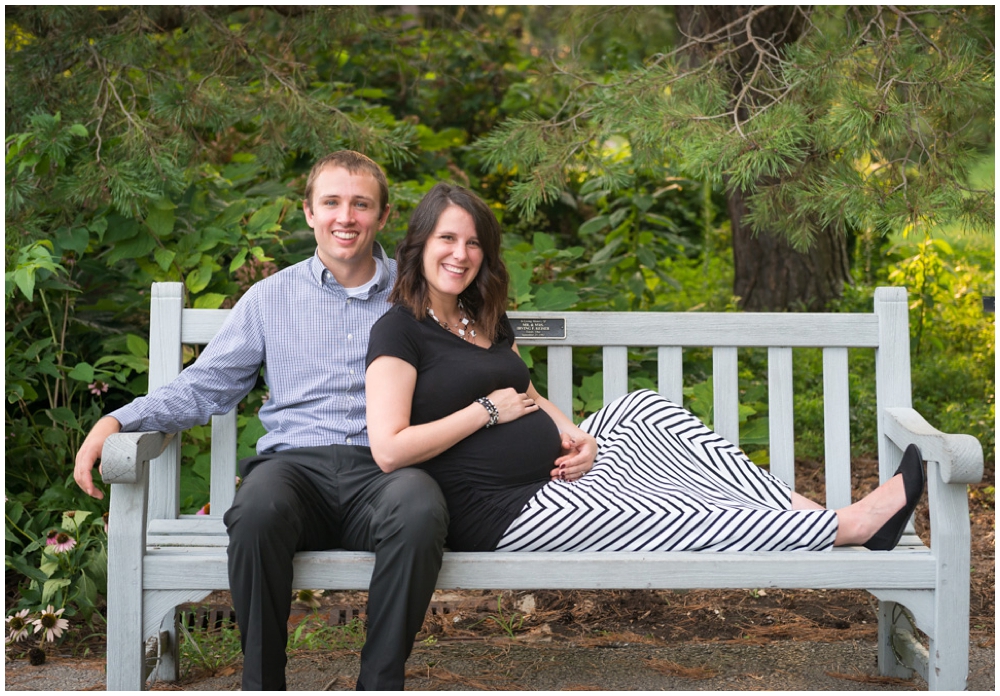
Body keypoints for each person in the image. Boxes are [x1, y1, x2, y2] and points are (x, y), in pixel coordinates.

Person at [364, 182, 925, 557]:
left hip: (557, 474)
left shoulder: (479, 316)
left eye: (473, 243)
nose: (461, 254)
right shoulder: (399, 330)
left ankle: (815, 513)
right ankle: (848, 528)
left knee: (642, 408)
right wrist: (485, 412)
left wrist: (573, 433)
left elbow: (526, 391)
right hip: (500, 511)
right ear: (419, 244)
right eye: (447, 239)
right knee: (670, 508)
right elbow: (389, 449)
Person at [74, 151, 449, 691]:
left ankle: (381, 683)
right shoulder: (270, 299)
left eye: (361, 204)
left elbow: (473, 364)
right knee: (255, 509)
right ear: (309, 213)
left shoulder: (417, 295)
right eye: (332, 202)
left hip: (385, 471)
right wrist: (116, 420)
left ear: (383, 216)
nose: (346, 216)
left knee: (421, 507)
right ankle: (263, 683)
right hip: (296, 473)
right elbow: (205, 384)